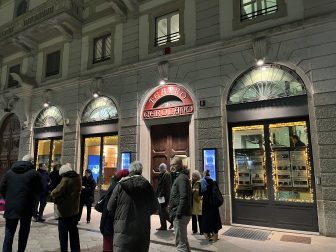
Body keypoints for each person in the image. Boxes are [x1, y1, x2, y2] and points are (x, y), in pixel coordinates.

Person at [107, 161, 157, 252]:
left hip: (123, 229)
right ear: (140, 171)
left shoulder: (120, 186)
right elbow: (154, 207)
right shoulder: (148, 186)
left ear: (130, 171)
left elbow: (110, 207)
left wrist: (120, 214)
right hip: (141, 230)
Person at [0, 155, 41, 252]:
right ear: (31, 162)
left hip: (11, 206)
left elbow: (1, 187)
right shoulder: (34, 174)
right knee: (24, 233)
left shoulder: (9, 172)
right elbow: (38, 190)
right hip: (26, 207)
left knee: (9, 233)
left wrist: (8, 198)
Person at [51, 163, 82, 252]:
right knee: (74, 233)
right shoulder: (78, 178)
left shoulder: (66, 179)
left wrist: (52, 193)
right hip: (74, 209)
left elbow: (56, 192)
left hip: (64, 210)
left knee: (63, 234)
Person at [100, 169, 129, 252]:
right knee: (109, 243)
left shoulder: (114, 185)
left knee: (109, 243)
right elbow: (109, 206)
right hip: (111, 219)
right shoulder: (118, 187)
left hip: (110, 219)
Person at [169, 157, 192, 252]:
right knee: (183, 241)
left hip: (181, 214)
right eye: (171, 165)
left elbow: (184, 196)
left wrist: (178, 213)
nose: (172, 167)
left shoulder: (182, 178)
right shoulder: (180, 177)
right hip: (181, 213)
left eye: (174, 164)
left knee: (180, 244)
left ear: (179, 164)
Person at [200, 170, 222, 242]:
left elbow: (200, 193)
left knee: (206, 220)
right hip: (213, 205)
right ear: (209, 175)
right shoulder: (214, 182)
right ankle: (215, 237)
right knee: (214, 220)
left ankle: (207, 236)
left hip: (206, 204)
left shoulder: (202, 182)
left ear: (204, 175)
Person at [155, 163, 173, 231]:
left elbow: (165, 187)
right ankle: (163, 226)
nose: (159, 169)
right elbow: (159, 186)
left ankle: (172, 222)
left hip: (164, 196)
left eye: (160, 168)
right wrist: (156, 194)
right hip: (160, 196)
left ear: (163, 168)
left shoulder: (167, 175)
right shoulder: (161, 174)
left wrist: (160, 195)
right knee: (160, 211)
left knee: (163, 210)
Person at [191, 170, 203, 235]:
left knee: (200, 216)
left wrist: (195, 190)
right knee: (193, 216)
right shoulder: (192, 182)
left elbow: (202, 192)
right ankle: (194, 230)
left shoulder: (200, 182)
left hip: (198, 201)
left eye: (194, 176)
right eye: (193, 176)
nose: (193, 177)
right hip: (193, 201)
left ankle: (202, 230)